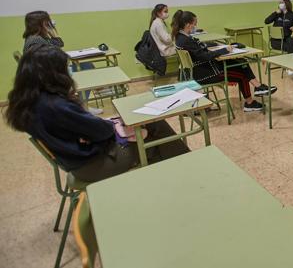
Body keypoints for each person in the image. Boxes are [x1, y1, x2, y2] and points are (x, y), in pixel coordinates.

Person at [4, 44, 189, 183]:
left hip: (76, 162)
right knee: (156, 131)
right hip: (93, 165)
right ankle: (189, 168)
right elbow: (102, 131)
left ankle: (172, 176)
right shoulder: (56, 105)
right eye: (64, 68)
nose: (67, 72)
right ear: (52, 73)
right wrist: (112, 124)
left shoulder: (29, 101)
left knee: (153, 138)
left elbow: (85, 128)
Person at [172, 10, 276, 112]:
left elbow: (199, 52)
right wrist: (224, 50)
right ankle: (250, 101)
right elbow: (204, 56)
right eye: (194, 24)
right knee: (242, 75)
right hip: (206, 73)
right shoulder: (186, 40)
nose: (195, 26)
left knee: (241, 61)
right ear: (187, 24)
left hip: (200, 70)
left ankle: (258, 87)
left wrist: (215, 48)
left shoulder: (180, 38)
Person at [22, 10, 102, 115]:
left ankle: (83, 105)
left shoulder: (37, 38)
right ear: (42, 23)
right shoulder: (35, 41)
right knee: (87, 68)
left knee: (87, 65)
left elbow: (59, 44)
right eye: (48, 22)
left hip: (51, 73)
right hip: (49, 77)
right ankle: (83, 106)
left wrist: (51, 32)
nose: (50, 24)